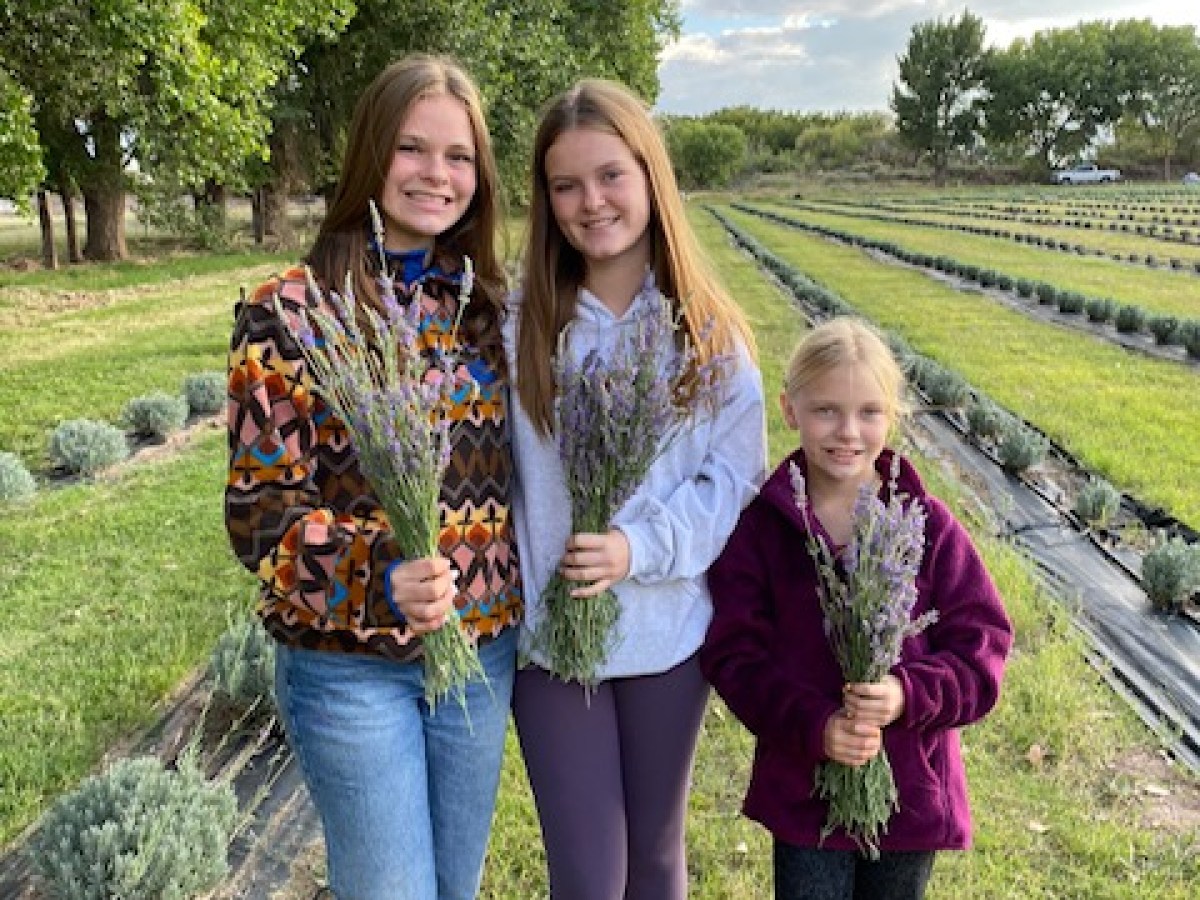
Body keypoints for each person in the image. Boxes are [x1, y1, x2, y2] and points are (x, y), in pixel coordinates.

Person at [224, 55, 521, 900]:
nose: (437, 174)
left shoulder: (488, 308)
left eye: (458, 156)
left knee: (454, 888)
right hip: (347, 663)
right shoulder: (288, 312)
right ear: (368, 157)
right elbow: (260, 517)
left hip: (480, 651)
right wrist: (380, 578)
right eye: (411, 149)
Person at [504, 78, 768, 900]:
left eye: (611, 175)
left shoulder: (707, 332)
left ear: (651, 176)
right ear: (546, 200)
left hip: (665, 634)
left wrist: (637, 547)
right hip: (552, 638)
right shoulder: (521, 324)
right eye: (566, 185)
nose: (592, 202)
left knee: (654, 860)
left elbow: (731, 481)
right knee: (589, 876)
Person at [699, 317, 1014, 900]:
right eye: (826, 410)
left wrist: (907, 694)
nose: (848, 431)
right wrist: (815, 727)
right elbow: (733, 658)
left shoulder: (930, 529)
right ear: (790, 410)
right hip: (805, 793)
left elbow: (982, 652)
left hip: (909, 795)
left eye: (869, 411)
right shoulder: (763, 532)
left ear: (892, 415)